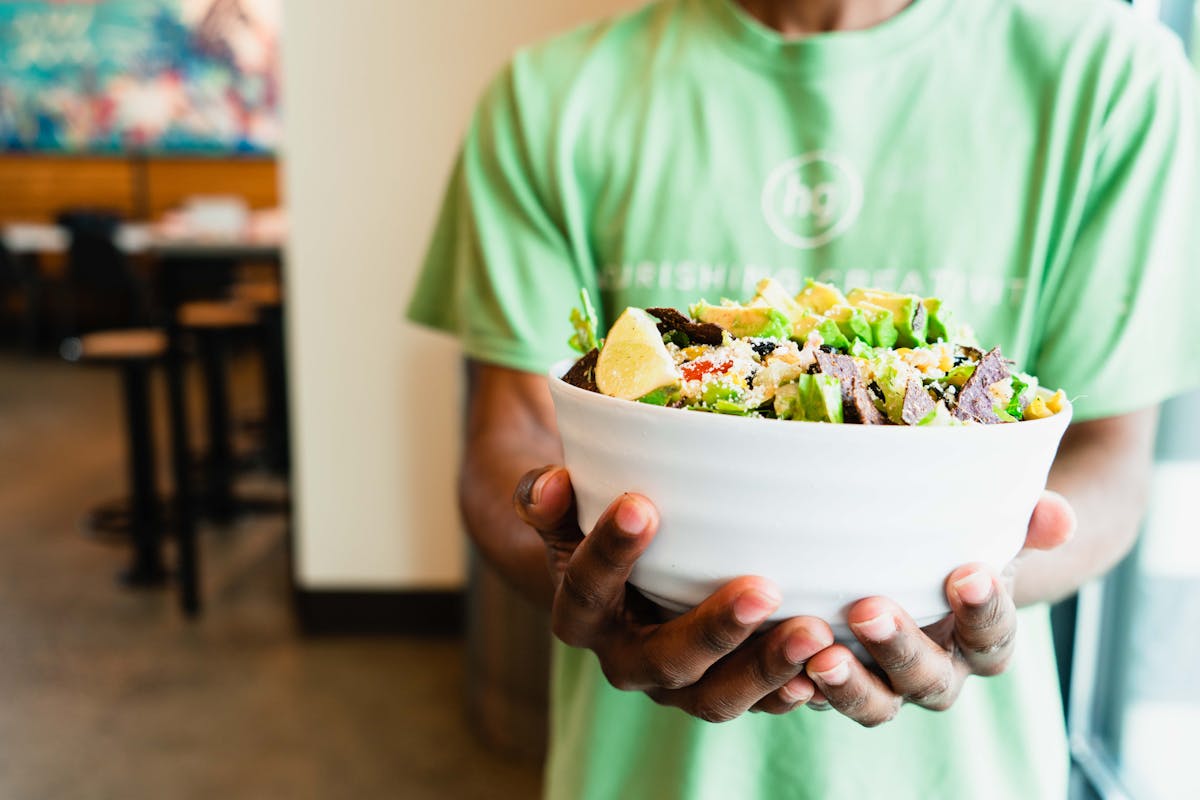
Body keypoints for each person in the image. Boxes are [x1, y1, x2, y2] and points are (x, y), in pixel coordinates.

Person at [407, 0, 1200, 797]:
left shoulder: (1115, 86)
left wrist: (969, 590)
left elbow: (1108, 461)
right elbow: (507, 440)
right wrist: (583, 585)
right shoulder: (548, 99)